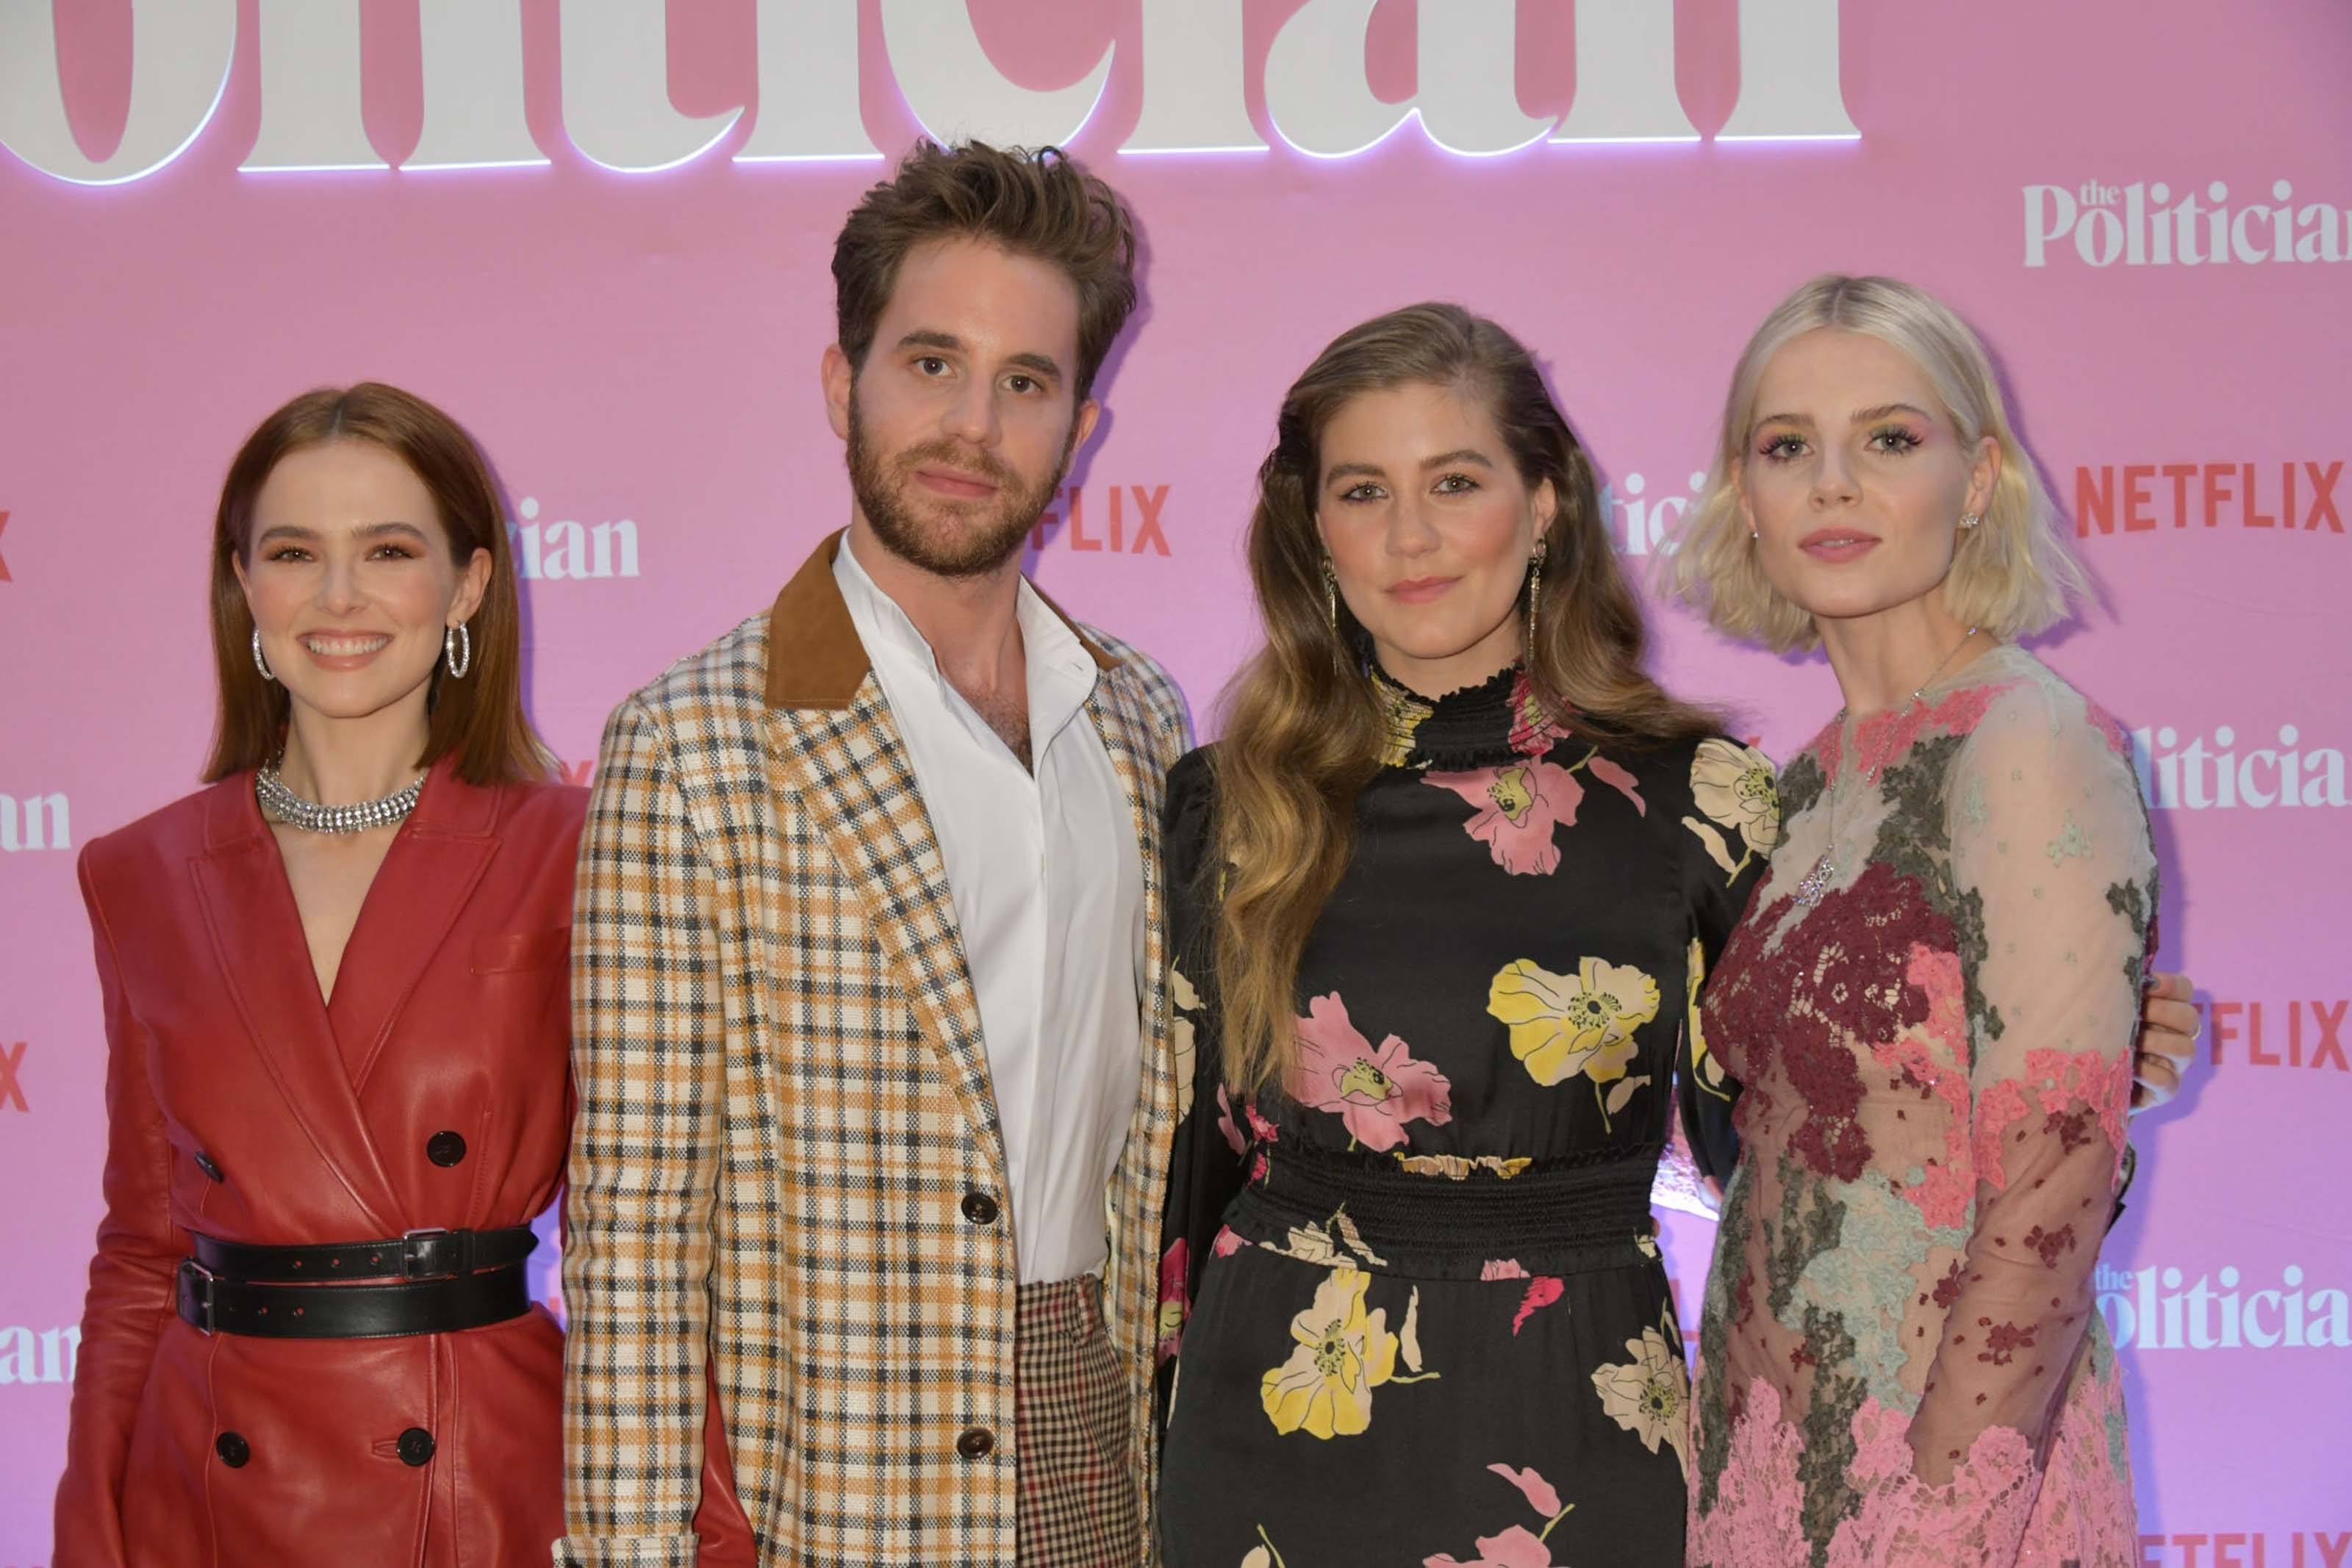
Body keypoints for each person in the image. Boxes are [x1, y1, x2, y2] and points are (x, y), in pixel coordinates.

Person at [1150, 303, 2197, 1568]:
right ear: (1313, 523)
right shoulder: (1229, 798)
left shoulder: (1698, 795)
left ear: (1545, 507)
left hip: (1576, 1422)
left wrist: (2080, 1049)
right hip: (1271, 1425)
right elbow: (1184, 1177)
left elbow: (1784, 1134)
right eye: (1364, 488)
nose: (1411, 534)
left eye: (1457, 480)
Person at [556, 142, 1188, 1567]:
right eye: (929, 364)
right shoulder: (689, 744)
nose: (973, 423)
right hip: (838, 1500)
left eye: (1023, 381)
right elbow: (637, 1241)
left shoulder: (1140, 714)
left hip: (1109, 1470)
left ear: (1080, 426)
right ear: (842, 386)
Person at [54, 384, 589, 1565]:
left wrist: (703, 1527)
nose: (338, 598)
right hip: (209, 1486)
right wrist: (89, 1523)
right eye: (295, 552)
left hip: (478, 1477)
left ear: (467, 586)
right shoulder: (140, 871)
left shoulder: (581, 850)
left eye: (388, 551)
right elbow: (145, 1244)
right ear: (244, 583)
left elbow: (649, 1244)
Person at [1671, 276, 2154, 1564]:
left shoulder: (2028, 739)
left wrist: (1939, 1523)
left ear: (1979, 476)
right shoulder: (1807, 781)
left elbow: (2051, 1184)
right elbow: (1760, 1137)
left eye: (1889, 439)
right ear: (1746, 496)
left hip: (1945, 1492)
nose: (1834, 485)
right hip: (1761, 1472)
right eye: (1789, 448)